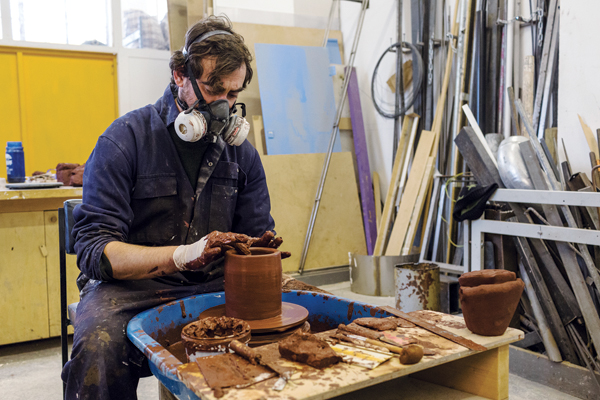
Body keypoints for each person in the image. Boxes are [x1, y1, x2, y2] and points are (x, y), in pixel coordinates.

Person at [61, 15, 283, 399]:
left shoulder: (240, 154)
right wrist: (182, 255)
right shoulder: (123, 141)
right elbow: (96, 253)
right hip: (129, 291)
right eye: (215, 89)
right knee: (97, 348)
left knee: (295, 324)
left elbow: (255, 239)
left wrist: (260, 256)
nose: (224, 108)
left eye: (233, 95)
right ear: (180, 74)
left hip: (215, 284)